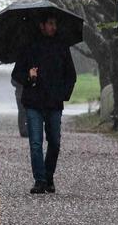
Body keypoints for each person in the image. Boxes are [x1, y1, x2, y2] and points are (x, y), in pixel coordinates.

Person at [11, 14, 77, 194]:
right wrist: (29, 76)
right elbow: (16, 74)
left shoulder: (61, 47)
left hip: (54, 103)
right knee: (35, 143)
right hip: (34, 102)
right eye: (50, 24)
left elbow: (71, 75)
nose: (53, 27)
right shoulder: (29, 47)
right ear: (41, 25)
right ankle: (39, 180)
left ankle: (49, 176)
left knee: (55, 142)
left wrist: (63, 94)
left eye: (55, 24)